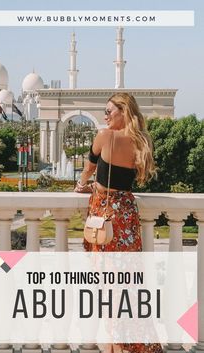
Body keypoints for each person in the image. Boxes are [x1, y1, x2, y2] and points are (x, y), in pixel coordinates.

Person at [75, 93, 162, 353]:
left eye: (109, 111)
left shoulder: (105, 136)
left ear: (124, 111)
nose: (105, 115)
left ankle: (116, 346)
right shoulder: (141, 140)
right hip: (126, 215)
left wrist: (82, 185)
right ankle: (132, 343)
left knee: (107, 284)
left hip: (105, 215)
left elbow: (89, 168)